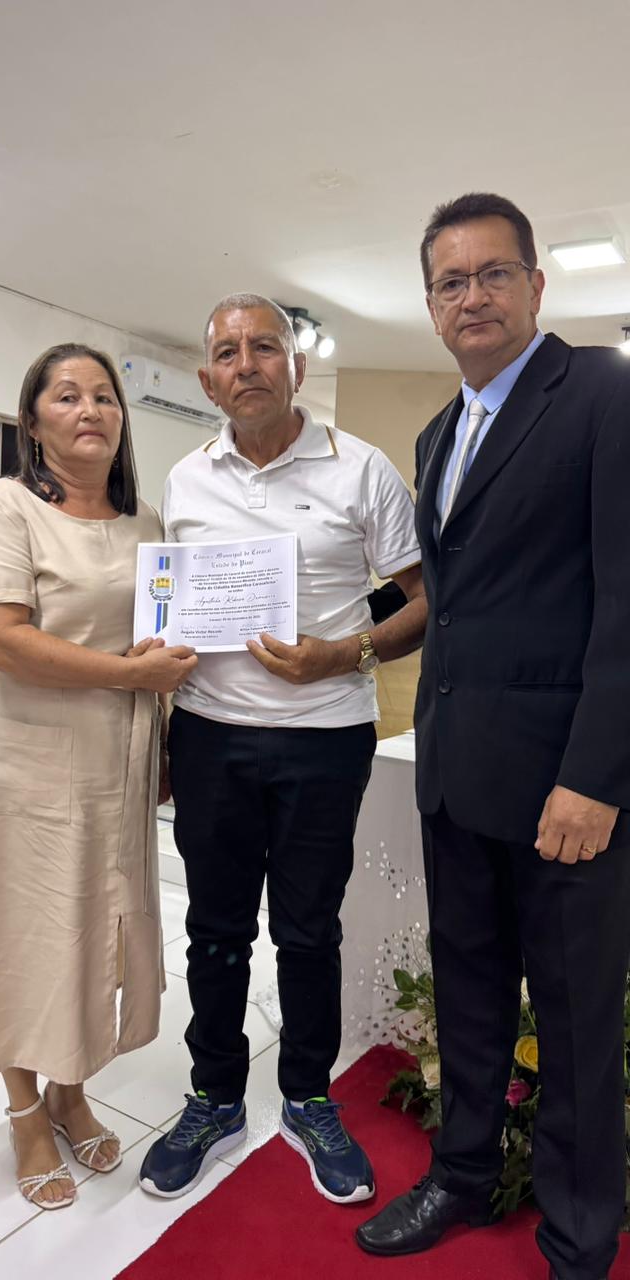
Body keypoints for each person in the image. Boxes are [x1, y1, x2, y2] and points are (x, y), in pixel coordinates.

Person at [355, 194, 630, 1280]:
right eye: (451, 281)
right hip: (457, 777)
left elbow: (626, 603)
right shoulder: (439, 434)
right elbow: (459, 604)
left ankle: (578, 1238)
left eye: (494, 273)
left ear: (535, 285)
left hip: (566, 793)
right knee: (468, 996)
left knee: (573, 1020)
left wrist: (596, 776)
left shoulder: (602, 392)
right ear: (431, 306)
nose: (473, 296)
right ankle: (460, 1176)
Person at [139, 293, 426, 1205]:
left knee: (308, 929)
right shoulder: (185, 480)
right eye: (228, 353)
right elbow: (167, 605)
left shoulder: (361, 467)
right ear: (206, 379)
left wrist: (344, 654)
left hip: (325, 739)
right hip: (210, 736)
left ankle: (307, 1095)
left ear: (296, 366)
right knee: (214, 928)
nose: (247, 365)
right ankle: (216, 1096)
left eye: (265, 347)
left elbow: (425, 597)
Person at [0, 342, 197, 1209]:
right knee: (26, 931)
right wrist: (128, 675)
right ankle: (24, 1112)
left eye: (105, 396)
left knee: (95, 933)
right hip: (35, 765)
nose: (90, 410)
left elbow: (157, 642)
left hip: (120, 764)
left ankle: (71, 1090)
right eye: (68, 396)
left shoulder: (145, 522)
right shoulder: (3, 509)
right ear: (33, 422)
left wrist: (162, 740)